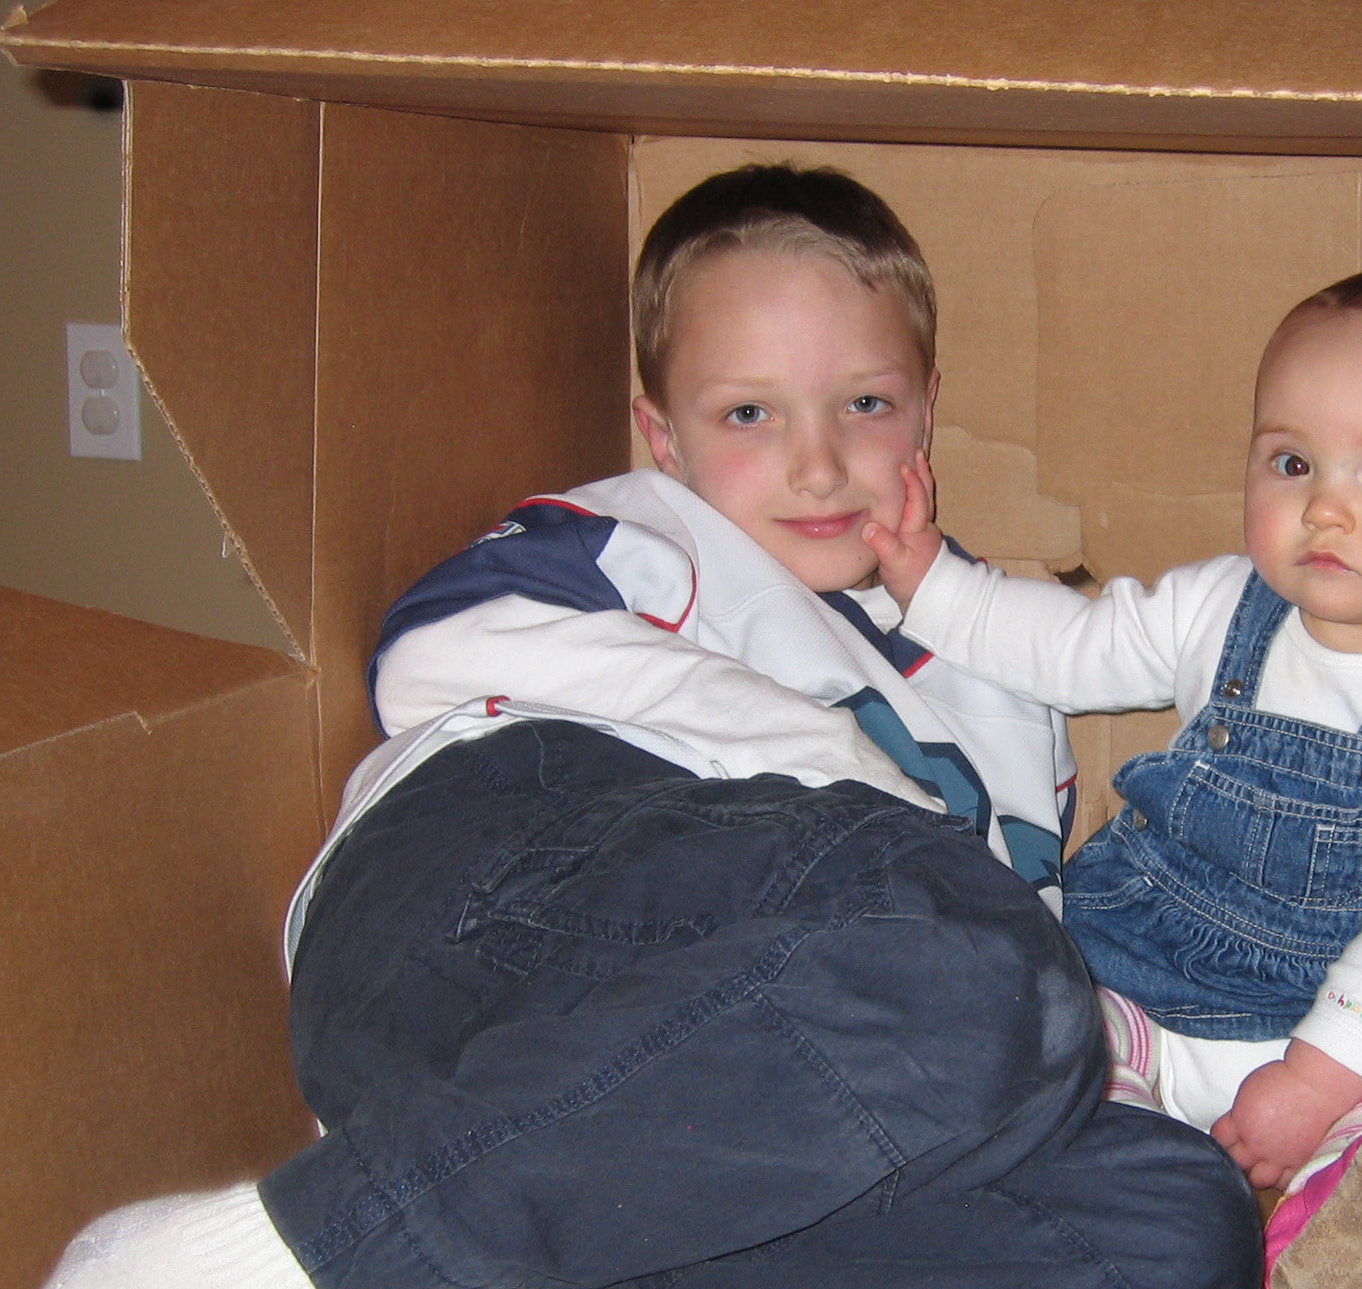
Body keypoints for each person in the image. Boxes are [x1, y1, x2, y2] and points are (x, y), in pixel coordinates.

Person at [44, 164, 1259, 1289]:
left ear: (926, 410)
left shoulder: (1007, 672)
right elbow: (430, 650)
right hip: (499, 883)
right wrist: (837, 768)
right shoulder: (653, 534)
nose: (817, 464)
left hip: (648, 1111)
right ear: (662, 435)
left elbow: (998, 1020)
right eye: (748, 414)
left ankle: (430, 1231)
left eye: (865, 403)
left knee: (1175, 1212)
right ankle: (284, 1255)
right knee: (971, 962)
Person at [862, 262, 1362, 1289]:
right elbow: (1072, 648)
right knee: (1039, 1031)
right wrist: (933, 582)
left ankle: (1335, 1231)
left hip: (1347, 1024)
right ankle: (1126, 1190)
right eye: (1292, 462)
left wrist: (1317, 1078)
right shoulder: (1220, 608)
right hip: (1144, 974)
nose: (1325, 508)